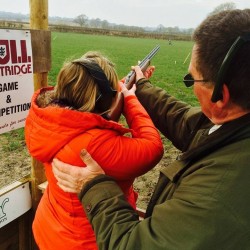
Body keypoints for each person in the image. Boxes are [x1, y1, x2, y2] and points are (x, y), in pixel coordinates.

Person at [52, 9, 250, 250]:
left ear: (221, 96)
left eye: (191, 80)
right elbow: (180, 126)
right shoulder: (235, 122)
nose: (191, 85)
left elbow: (132, 245)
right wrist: (140, 88)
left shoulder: (217, 194)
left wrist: (93, 185)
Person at [25, 51, 163, 250]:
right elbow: (153, 147)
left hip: (51, 230)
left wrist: (127, 84)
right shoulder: (94, 145)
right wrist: (130, 99)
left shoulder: (50, 120)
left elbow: (97, 105)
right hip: (86, 242)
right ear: (102, 99)